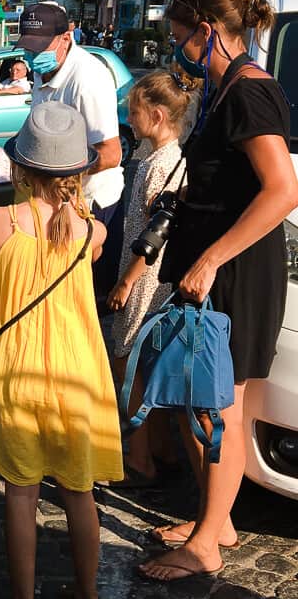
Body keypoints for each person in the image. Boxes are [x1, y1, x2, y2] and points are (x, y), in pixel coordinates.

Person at [137, 0, 298, 582]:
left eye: (181, 38)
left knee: (219, 410)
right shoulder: (228, 86)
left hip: (231, 275)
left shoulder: (249, 93)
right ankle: (217, 521)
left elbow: (284, 189)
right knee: (201, 403)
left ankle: (206, 545)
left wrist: (209, 259)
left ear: (207, 32)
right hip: (215, 271)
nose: (177, 51)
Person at [0, 101, 123, 599]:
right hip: (78, 372)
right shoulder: (93, 232)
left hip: (18, 370)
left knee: (20, 493)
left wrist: (2, 312)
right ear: (77, 172)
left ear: (20, 167)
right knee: (79, 491)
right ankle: (88, 594)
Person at [106, 69, 199, 487]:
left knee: (129, 364)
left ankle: (140, 458)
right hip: (148, 273)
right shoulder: (160, 158)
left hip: (145, 277)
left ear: (158, 116)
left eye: (135, 112)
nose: (129, 119)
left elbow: (155, 235)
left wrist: (125, 280)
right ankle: (160, 450)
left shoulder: (164, 164)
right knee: (150, 365)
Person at [15, 2, 125, 308]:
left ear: (67, 37)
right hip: (59, 199)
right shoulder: (45, 69)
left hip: (92, 204)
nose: (34, 56)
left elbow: (111, 154)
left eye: (41, 47)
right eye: (29, 47)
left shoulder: (88, 79)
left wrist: (52, 171)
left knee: (83, 301)